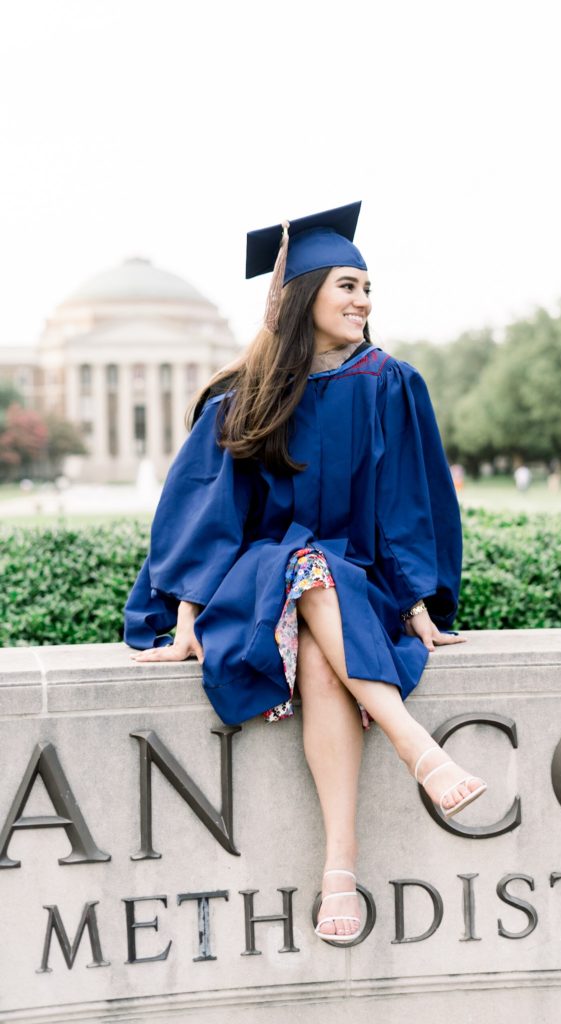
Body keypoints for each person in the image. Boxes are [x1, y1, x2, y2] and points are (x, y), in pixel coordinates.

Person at [124, 201, 487, 944]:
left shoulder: (391, 383)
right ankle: (417, 748)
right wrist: (186, 615)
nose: (362, 301)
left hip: (357, 583)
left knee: (324, 657)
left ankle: (338, 871)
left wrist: (417, 600)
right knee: (305, 562)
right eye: (346, 285)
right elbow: (204, 511)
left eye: (367, 288)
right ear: (304, 294)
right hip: (263, 579)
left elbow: (410, 500)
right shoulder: (243, 397)